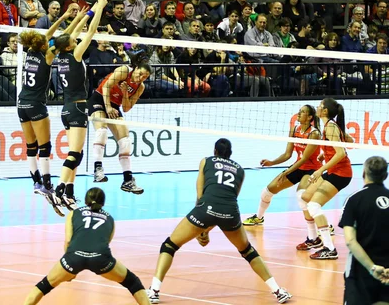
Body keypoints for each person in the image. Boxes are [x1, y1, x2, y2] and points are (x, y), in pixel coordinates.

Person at [146, 139, 292, 304]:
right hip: (231, 213)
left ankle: (154, 291)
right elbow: (226, 201)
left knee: (169, 246)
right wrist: (206, 228)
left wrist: (201, 229)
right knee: (248, 251)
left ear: (214, 150)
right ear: (230, 153)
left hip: (205, 209)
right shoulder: (240, 170)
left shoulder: (206, 161)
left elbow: (200, 195)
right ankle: (278, 291)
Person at [24, 187, 150, 305]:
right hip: (100, 258)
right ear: (103, 203)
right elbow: (105, 243)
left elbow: (68, 241)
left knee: (42, 286)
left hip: (74, 257)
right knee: (133, 283)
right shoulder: (110, 219)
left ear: (85, 201)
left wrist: (69, 268)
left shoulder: (74, 213)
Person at [18, 6, 78, 217]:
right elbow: (63, 39)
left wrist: (63, 15)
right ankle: (46, 184)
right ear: (45, 45)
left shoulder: (30, 52)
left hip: (21, 104)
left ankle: (36, 183)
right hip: (36, 104)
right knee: (45, 146)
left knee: (30, 145)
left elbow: (51, 35)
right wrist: (75, 18)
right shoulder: (47, 56)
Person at [51, 0, 108, 210]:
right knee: (75, 153)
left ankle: (69, 192)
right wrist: (100, 9)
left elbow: (73, 33)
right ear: (69, 46)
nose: (76, 41)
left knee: (77, 152)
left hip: (67, 108)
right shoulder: (74, 54)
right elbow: (91, 32)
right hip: (77, 107)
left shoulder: (61, 55)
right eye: (74, 41)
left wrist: (90, 10)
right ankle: (58, 190)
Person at [243, 105, 327, 249]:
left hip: (312, 169)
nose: (299, 114)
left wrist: (286, 172)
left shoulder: (314, 134)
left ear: (310, 117)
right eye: (299, 111)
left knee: (302, 196)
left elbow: (305, 159)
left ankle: (317, 233)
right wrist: (272, 162)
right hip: (297, 167)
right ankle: (259, 217)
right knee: (267, 191)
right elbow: (287, 154)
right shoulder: (294, 129)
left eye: (302, 112)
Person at [88, 56, 151, 194]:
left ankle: (127, 180)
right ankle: (98, 171)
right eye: (140, 73)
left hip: (115, 106)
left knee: (125, 140)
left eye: (144, 77)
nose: (141, 78)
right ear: (135, 69)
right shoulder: (124, 71)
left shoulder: (140, 87)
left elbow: (127, 107)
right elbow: (106, 86)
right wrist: (108, 107)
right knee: (101, 132)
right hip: (99, 99)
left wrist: (124, 93)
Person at [302, 98, 354, 260]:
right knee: (305, 197)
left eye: (320, 106)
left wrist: (319, 171)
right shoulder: (330, 125)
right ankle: (314, 238)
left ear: (324, 111)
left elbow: (341, 153)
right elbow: (349, 141)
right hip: (334, 170)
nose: (317, 107)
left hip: (341, 173)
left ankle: (329, 248)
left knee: (314, 206)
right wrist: (326, 151)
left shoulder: (330, 126)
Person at [339, 156, 389, 305]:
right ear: (385, 176)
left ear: (363, 174)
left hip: (360, 273)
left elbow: (350, 241)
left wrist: (372, 268)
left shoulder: (354, 200)